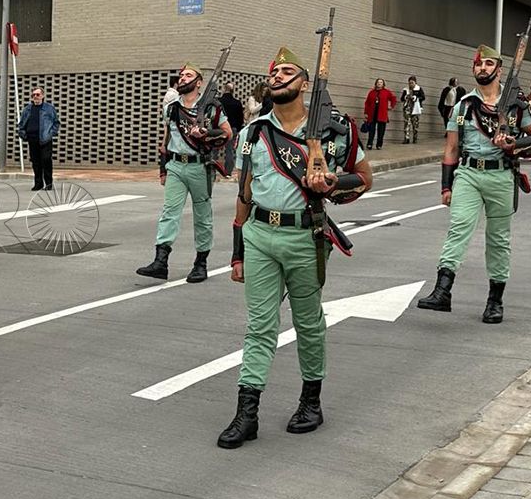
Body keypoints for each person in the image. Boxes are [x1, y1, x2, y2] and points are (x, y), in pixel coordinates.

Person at [218, 47, 372, 450]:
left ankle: (311, 401)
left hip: (306, 238)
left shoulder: (336, 130)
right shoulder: (254, 131)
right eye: (273, 72)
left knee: (308, 323)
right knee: (259, 326)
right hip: (259, 236)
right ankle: (246, 412)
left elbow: (364, 178)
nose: (278, 76)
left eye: (287, 71)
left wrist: (332, 184)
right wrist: (237, 253)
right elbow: (244, 194)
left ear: (305, 83)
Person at [415, 45, 531, 324]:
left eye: (488, 64)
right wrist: (446, 186)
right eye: (478, 64)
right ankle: (442, 290)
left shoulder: (516, 105)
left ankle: (495, 301)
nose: (482, 68)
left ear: (499, 70)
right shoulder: (463, 105)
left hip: (501, 175)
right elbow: (451, 148)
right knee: (459, 226)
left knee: (498, 240)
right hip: (469, 173)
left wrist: (513, 145)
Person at [136, 63, 232, 284]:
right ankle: (161, 261)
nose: (182, 78)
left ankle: (201, 262)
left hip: (200, 166)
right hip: (176, 165)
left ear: (199, 82)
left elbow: (227, 134)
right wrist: (163, 168)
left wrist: (206, 134)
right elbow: (166, 139)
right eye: (181, 75)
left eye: (188, 75)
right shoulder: (171, 108)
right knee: (169, 212)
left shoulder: (211, 107)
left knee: (202, 216)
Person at [19, 86, 59, 191]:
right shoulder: (27, 109)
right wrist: (23, 134)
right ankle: (38, 183)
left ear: (42, 96)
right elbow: (22, 123)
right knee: (36, 162)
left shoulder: (49, 108)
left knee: (46, 160)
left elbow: (56, 122)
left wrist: (51, 133)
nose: (35, 97)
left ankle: (49, 183)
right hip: (32, 139)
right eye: (33, 95)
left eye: (38, 94)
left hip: (45, 139)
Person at [219, 82, 245, 179]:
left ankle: (212, 168)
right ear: (233, 91)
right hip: (232, 128)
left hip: (219, 128)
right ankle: (228, 172)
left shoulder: (219, 101)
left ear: (224, 89)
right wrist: (237, 128)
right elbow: (240, 118)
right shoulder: (237, 103)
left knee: (214, 149)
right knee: (229, 150)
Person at [362, 78, 396, 149]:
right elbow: (367, 103)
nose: (379, 83)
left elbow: (393, 98)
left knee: (381, 131)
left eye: (381, 82)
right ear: (376, 83)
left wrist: (391, 106)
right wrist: (366, 113)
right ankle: (370, 144)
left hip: (382, 114)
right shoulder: (371, 92)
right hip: (372, 113)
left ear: (383, 84)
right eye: (378, 82)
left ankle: (379, 145)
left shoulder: (386, 92)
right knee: (371, 130)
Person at [400, 76, 425, 144]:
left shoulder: (419, 89)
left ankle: (415, 138)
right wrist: (406, 97)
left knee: (415, 124)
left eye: (412, 83)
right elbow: (401, 98)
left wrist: (416, 97)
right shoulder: (405, 89)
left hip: (415, 108)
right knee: (406, 123)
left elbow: (423, 97)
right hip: (407, 108)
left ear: (415, 82)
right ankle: (406, 138)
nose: (410, 84)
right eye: (409, 83)